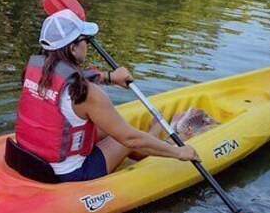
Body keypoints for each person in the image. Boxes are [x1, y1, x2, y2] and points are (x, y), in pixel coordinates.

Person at [15, 9, 199, 183]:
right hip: (69, 174)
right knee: (127, 137)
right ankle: (158, 136)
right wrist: (180, 153)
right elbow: (130, 139)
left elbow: (69, 79)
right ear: (72, 48)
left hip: (31, 160)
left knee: (107, 129)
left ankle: (151, 141)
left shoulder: (34, 69)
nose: (87, 44)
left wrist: (110, 77)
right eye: (85, 40)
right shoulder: (88, 93)